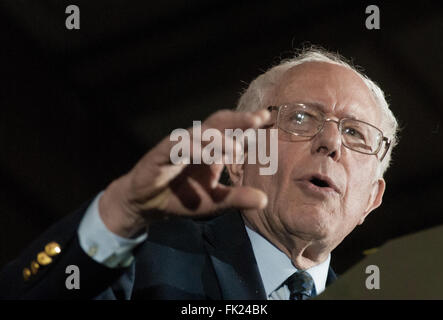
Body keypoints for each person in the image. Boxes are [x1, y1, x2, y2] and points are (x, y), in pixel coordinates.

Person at [0, 46, 399, 300]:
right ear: (240, 156)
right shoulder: (141, 265)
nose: (331, 142)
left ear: (371, 198)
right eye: (300, 117)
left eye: (355, 133)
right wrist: (117, 213)